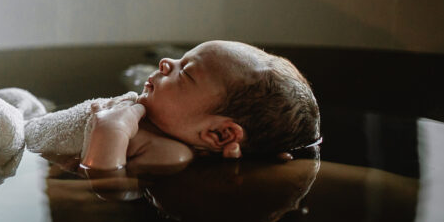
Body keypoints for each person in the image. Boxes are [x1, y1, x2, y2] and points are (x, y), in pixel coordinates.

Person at [25, 40, 321, 170]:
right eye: (181, 58)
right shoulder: (161, 124)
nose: (166, 63)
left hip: (18, 147)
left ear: (219, 135)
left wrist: (111, 131)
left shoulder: (170, 154)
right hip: (29, 127)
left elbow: (105, 183)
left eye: (187, 72)